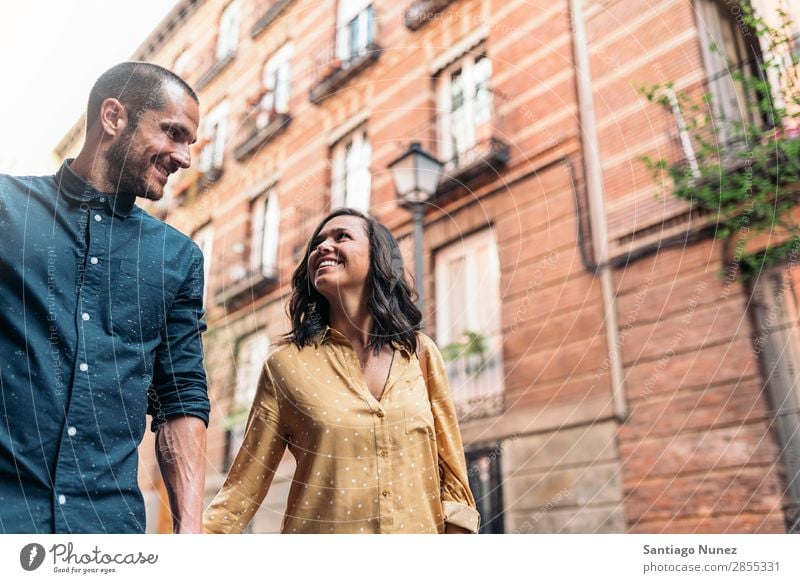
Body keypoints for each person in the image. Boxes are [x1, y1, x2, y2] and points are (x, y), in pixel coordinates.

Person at [0, 62, 209, 534]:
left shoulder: (178, 258)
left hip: (109, 534)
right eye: (173, 133)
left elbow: (180, 398)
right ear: (113, 117)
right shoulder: (6, 210)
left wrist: (190, 535)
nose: (184, 157)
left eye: (190, 143)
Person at [203, 208, 479, 534]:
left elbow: (454, 478)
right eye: (317, 242)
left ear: (377, 257)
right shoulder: (285, 367)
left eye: (341, 236)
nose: (322, 246)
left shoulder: (419, 353)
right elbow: (242, 488)